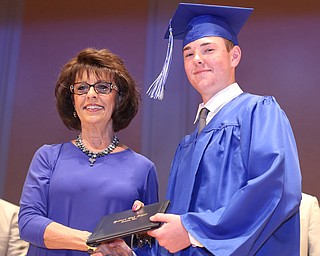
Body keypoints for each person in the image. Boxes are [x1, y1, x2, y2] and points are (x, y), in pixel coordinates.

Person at [143, 3, 302, 255]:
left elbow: (275, 188)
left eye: (208, 49)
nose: (197, 59)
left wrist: (194, 230)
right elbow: (176, 227)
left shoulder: (259, 112)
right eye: (188, 54)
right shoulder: (187, 145)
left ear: (234, 56)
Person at [18, 48, 159, 255]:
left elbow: (149, 246)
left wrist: (132, 248)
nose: (91, 94)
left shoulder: (143, 168)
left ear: (118, 99)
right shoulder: (47, 157)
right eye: (82, 88)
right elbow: (28, 223)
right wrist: (92, 241)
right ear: (73, 102)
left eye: (103, 87)